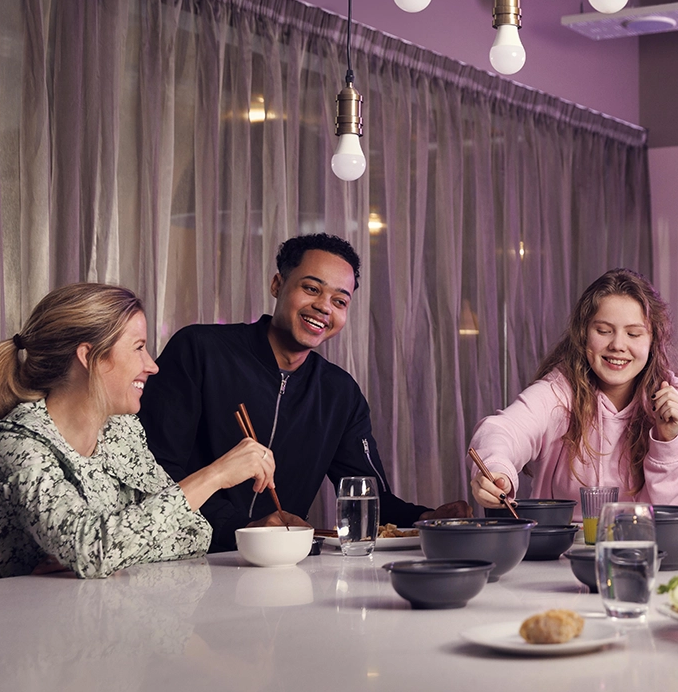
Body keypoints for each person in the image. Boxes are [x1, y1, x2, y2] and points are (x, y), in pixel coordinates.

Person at [139, 234, 467, 553]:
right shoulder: (200, 350)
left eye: (340, 301)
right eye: (311, 288)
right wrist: (240, 526)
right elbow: (155, 468)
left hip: (283, 564)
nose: (324, 307)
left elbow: (366, 496)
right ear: (277, 285)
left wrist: (427, 519)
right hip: (188, 558)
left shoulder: (339, 393)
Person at [0, 284, 274, 578]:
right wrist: (215, 475)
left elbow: (196, 533)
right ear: (89, 357)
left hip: (92, 612)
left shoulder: (121, 431)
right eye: (139, 347)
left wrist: (112, 552)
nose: (152, 366)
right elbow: (93, 551)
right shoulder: (18, 442)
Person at [470, 269, 678, 515]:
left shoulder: (677, 401)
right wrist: (495, 468)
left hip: (645, 548)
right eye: (603, 331)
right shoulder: (559, 392)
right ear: (583, 334)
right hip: (562, 551)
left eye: (633, 334)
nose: (618, 345)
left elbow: (676, 513)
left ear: (653, 340)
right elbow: (503, 430)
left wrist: (667, 442)